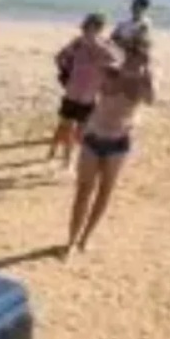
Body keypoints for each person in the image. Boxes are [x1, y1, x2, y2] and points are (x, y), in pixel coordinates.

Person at [65, 46, 156, 258]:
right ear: (126, 56)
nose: (135, 63)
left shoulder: (144, 83)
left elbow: (151, 100)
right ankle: (71, 241)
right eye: (132, 57)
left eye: (141, 59)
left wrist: (147, 76)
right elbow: (95, 59)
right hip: (94, 136)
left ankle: (85, 238)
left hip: (119, 141)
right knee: (83, 191)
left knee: (104, 192)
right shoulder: (109, 71)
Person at [49, 13, 117, 169]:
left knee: (79, 132)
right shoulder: (78, 42)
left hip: (88, 96)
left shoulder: (105, 45)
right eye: (87, 26)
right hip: (73, 92)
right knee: (65, 126)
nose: (87, 30)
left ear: (98, 28)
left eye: (92, 27)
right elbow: (59, 57)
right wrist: (66, 72)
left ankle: (65, 157)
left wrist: (103, 69)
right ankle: (61, 157)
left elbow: (117, 62)